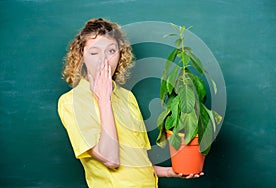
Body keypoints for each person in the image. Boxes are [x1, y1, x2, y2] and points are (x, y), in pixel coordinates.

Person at [57, 18, 203, 187]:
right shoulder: (71, 102)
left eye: (111, 51)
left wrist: (170, 172)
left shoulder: (127, 97)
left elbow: (138, 161)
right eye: (94, 52)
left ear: (121, 55)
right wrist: (104, 100)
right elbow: (111, 159)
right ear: (81, 56)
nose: (103, 60)